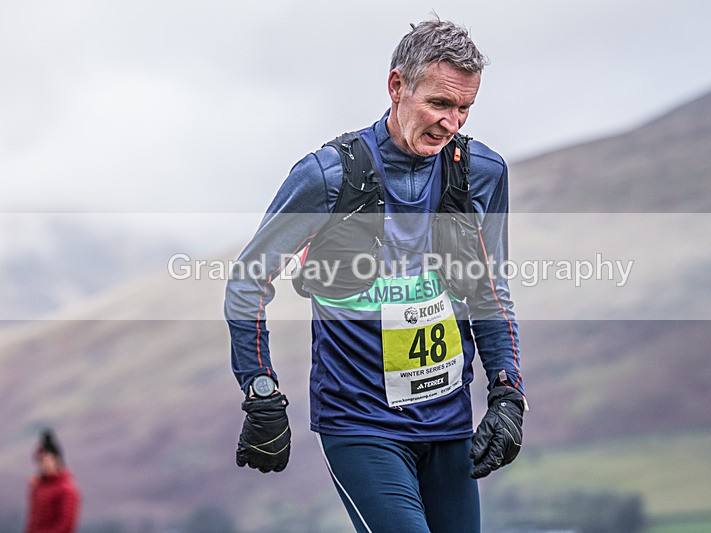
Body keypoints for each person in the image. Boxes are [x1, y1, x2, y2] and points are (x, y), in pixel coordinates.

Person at [225, 17, 526, 532]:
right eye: (438, 103)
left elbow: (489, 291)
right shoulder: (326, 177)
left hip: (447, 421)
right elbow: (248, 280)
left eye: (464, 108)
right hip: (361, 423)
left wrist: (507, 393)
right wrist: (259, 388)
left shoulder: (482, 174)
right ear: (397, 86)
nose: (452, 122)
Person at [25, 429, 80, 533]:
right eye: (42, 460)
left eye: (49, 460)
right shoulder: (37, 487)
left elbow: (66, 525)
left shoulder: (66, 489)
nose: (46, 464)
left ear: (57, 460)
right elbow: (32, 521)